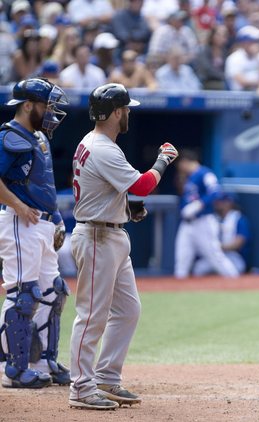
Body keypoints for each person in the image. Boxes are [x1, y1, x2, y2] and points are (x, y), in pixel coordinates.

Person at [68, 83, 179, 410]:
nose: (129, 112)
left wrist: (126, 207)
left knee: (128, 310)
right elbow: (144, 184)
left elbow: (104, 190)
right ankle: (82, 387)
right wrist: (163, 160)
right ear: (116, 112)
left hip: (111, 231)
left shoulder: (96, 143)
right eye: (126, 108)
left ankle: (106, 376)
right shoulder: (102, 147)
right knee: (90, 317)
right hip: (97, 237)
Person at [0, 78, 70, 389]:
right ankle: (14, 371)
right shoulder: (10, 136)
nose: (51, 112)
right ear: (28, 105)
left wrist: (56, 219)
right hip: (20, 221)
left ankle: (44, 361)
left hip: (41, 223)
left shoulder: (38, 136)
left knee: (53, 291)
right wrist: (18, 206)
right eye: (47, 105)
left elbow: (45, 185)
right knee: (23, 295)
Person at [174, 149, 240, 279]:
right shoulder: (189, 177)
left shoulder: (205, 173)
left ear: (185, 162)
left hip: (203, 221)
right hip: (187, 224)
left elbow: (216, 191)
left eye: (181, 164)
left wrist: (199, 204)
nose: (180, 168)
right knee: (182, 259)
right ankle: (178, 289)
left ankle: (235, 281)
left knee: (215, 256)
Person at [193, 192, 250, 275]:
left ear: (230, 202)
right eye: (217, 201)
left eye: (222, 201)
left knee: (236, 269)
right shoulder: (211, 218)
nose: (218, 203)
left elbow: (239, 242)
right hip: (214, 255)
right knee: (199, 269)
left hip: (232, 256)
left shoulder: (238, 218)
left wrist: (217, 247)